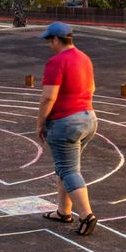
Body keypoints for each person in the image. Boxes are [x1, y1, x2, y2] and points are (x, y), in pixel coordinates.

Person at [36, 22, 99, 236]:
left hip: (66, 122)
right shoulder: (84, 58)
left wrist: (40, 123)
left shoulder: (56, 62)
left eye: (49, 41)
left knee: (68, 170)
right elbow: (91, 88)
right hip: (88, 118)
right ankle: (64, 211)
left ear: (55, 40)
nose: (49, 45)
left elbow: (48, 96)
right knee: (65, 166)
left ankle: (87, 215)